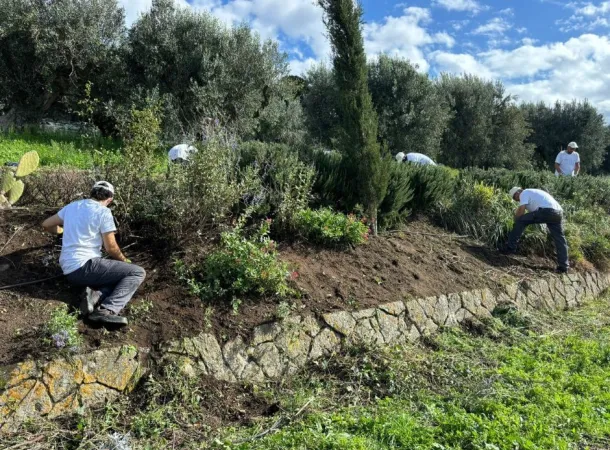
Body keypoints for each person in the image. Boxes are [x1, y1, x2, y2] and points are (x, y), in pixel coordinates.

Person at [41, 181, 146, 325]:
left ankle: (93, 296)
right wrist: (124, 260)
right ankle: (106, 311)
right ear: (109, 199)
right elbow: (111, 248)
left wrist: (62, 231)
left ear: (92, 192)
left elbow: (46, 224)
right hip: (86, 266)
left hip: (69, 270)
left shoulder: (72, 206)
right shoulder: (103, 212)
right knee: (136, 273)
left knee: (118, 278)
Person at [501, 187, 569, 273]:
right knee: (560, 239)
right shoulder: (533, 192)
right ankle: (564, 266)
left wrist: (516, 219)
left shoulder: (524, 193)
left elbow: (521, 211)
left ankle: (510, 248)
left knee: (520, 220)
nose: (517, 201)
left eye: (515, 198)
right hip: (558, 213)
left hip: (546, 211)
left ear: (517, 193)